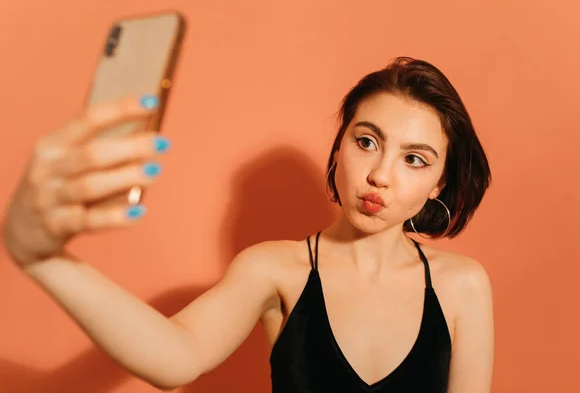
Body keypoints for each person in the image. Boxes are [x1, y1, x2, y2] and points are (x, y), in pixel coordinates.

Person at [2, 56, 494, 392]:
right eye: (367, 142)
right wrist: (43, 258)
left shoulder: (462, 287)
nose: (380, 175)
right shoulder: (274, 270)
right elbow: (175, 357)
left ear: (438, 184)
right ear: (340, 145)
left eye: (414, 159)